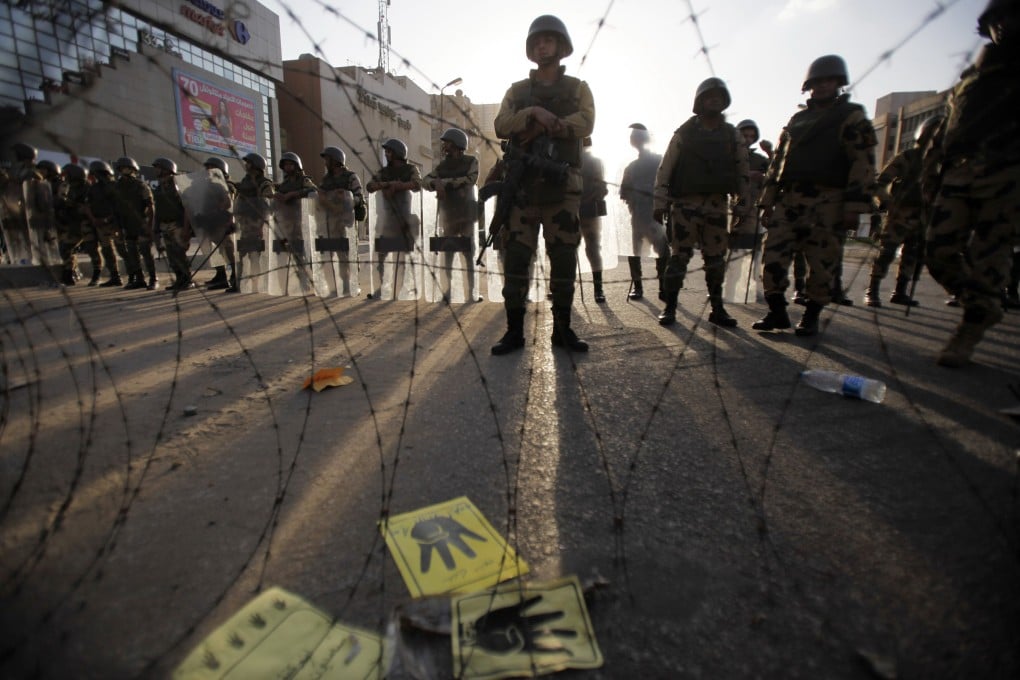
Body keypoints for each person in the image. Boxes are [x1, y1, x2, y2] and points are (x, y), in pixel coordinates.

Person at [490, 14, 595, 354]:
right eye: (536, 41)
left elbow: (587, 121)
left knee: (563, 258)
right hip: (522, 189)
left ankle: (562, 329)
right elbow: (501, 124)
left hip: (561, 188)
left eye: (548, 40)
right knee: (517, 259)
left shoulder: (578, 88)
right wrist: (533, 112)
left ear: (561, 47)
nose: (541, 44)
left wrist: (555, 124)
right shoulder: (518, 91)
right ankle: (514, 331)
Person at [753, 55, 877, 336]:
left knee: (822, 262)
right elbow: (778, 164)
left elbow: (863, 162)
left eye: (829, 80)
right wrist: (768, 201)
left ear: (839, 83)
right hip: (790, 198)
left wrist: (854, 207)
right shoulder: (797, 120)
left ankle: (811, 314)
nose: (822, 86)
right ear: (808, 85)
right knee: (772, 256)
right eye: (817, 82)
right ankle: (776, 310)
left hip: (829, 200)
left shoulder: (852, 117)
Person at [925, 0, 1019, 367]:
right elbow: (946, 131)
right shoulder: (969, 79)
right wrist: (932, 176)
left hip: (1009, 173)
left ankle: (969, 330)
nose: (1005, 25)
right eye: (998, 19)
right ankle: (982, 304)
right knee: (937, 251)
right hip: (960, 171)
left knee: (989, 254)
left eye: (1012, 17)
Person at [653, 77, 752, 327]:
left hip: (717, 205)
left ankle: (717, 308)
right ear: (700, 102)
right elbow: (666, 169)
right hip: (685, 205)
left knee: (716, 259)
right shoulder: (684, 133)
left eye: (719, 97)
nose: (714, 100)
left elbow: (742, 170)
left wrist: (744, 202)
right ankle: (671, 307)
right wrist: (659, 203)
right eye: (709, 97)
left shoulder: (732, 136)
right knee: (679, 258)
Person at [865, 115, 945, 308]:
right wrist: (889, 203)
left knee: (913, 255)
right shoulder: (909, 157)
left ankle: (900, 291)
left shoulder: (942, 162)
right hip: (900, 214)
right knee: (887, 252)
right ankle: (872, 289)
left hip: (924, 216)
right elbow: (879, 184)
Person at [423, 128, 479, 302]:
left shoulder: (471, 161)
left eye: (447, 142)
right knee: (448, 253)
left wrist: (443, 183)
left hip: (466, 213)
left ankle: (471, 291)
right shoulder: (442, 165)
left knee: (468, 253)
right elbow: (425, 181)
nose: (444, 145)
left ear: (456, 144)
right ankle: (448, 289)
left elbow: (471, 179)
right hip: (449, 215)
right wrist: (435, 183)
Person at [366, 138, 421, 298]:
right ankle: (383, 287)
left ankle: (404, 287)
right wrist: (387, 184)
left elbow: (417, 184)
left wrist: (399, 186)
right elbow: (370, 186)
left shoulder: (411, 169)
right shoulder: (383, 172)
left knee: (404, 257)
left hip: (404, 218)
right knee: (382, 254)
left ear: (398, 153)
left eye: (389, 152)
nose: (386, 154)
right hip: (387, 218)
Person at [619, 123, 667, 301]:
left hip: (656, 214)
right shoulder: (630, 167)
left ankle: (663, 287)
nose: (638, 141)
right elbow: (623, 192)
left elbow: (667, 183)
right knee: (635, 253)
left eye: (640, 138)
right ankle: (638, 286)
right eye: (635, 138)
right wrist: (634, 196)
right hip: (637, 214)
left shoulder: (659, 161)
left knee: (662, 252)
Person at [318, 145, 365, 297]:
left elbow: (359, 198)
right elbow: (319, 197)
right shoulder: (326, 180)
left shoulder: (351, 177)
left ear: (335, 160)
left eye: (327, 159)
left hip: (345, 222)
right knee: (330, 254)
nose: (325, 162)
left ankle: (349, 283)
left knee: (346, 254)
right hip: (329, 223)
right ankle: (334, 285)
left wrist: (346, 197)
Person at [112, 156, 156, 290]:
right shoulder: (117, 187)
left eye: (128, 168)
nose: (125, 170)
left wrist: (149, 226)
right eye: (123, 168)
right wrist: (118, 228)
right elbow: (116, 209)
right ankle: (139, 278)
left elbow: (150, 206)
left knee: (145, 252)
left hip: (141, 223)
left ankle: (153, 278)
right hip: (127, 224)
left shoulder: (140, 185)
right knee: (132, 253)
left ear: (133, 170)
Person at [235, 152, 275, 292]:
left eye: (249, 163)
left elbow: (267, 204)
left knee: (255, 256)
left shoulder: (264, 183)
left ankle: (255, 285)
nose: (246, 165)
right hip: (244, 223)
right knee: (241, 254)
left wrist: (261, 225)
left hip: (256, 223)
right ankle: (239, 283)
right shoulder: (245, 182)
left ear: (256, 166)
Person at [151, 157, 193, 291]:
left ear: (166, 170)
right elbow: (157, 210)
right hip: (165, 225)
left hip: (178, 225)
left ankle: (187, 280)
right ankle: (179, 279)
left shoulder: (178, 186)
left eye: (158, 167)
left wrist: (187, 229)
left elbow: (187, 208)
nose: (156, 170)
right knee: (171, 254)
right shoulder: (159, 188)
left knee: (179, 253)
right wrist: (156, 228)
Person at [83, 160, 125, 287]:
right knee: (107, 250)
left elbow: (120, 206)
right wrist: (94, 219)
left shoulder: (115, 186)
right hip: (100, 224)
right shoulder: (93, 188)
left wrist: (109, 219)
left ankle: (136, 275)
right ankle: (115, 276)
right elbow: (87, 205)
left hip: (114, 223)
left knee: (123, 250)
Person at [39, 159, 81, 285]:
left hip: (64, 222)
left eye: (43, 169)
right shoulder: (44, 184)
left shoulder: (62, 185)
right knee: (58, 249)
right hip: (53, 222)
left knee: (65, 249)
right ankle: (70, 272)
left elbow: (63, 202)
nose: (41, 172)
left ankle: (69, 274)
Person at [578, 138, 608, 303]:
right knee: (568, 250)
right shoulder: (592, 162)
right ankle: (598, 290)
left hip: (588, 210)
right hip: (575, 209)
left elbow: (602, 188)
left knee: (593, 249)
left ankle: (598, 289)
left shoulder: (594, 162)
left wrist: (588, 199)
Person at [201, 157, 235, 289]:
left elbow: (229, 203)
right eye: (207, 168)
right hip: (212, 223)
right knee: (216, 252)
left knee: (228, 249)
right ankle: (221, 275)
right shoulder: (208, 186)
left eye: (211, 167)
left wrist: (228, 220)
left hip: (223, 222)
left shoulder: (227, 185)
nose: (208, 170)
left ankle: (235, 274)